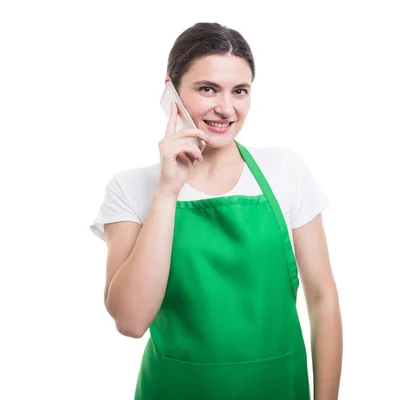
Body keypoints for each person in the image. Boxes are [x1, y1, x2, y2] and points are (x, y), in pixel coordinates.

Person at [90, 22, 343, 399]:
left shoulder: (284, 171)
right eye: (208, 89)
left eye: (239, 91)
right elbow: (130, 321)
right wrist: (167, 191)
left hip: (278, 387)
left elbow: (322, 299)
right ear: (170, 90)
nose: (226, 108)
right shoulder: (131, 189)